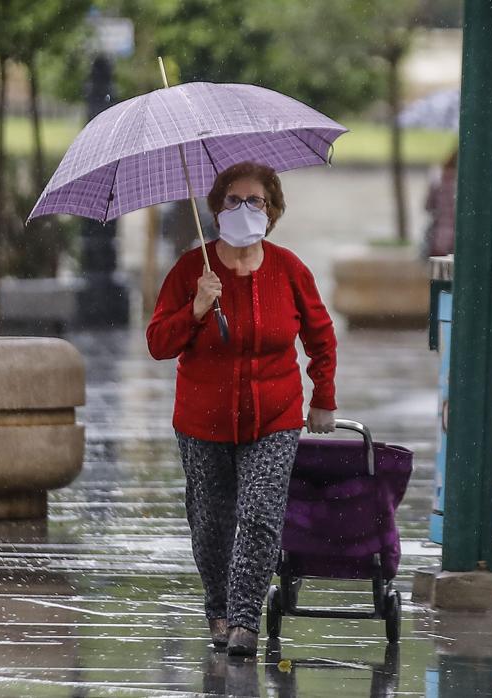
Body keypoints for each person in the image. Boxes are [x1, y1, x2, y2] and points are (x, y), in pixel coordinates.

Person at [146, 161, 339, 656]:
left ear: (272, 211)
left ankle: (244, 622)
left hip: (274, 417)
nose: (244, 209)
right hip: (201, 420)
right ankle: (218, 608)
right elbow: (158, 343)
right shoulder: (193, 270)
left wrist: (323, 398)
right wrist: (194, 309)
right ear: (215, 208)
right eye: (234, 200)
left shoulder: (289, 269)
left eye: (256, 201)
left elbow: (320, 338)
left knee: (258, 515)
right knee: (210, 520)